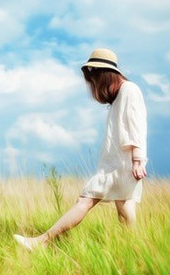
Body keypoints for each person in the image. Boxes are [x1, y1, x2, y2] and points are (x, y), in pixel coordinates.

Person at [13, 48, 148, 251]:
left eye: (95, 76)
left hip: (122, 163)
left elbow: (137, 124)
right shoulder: (120, 95)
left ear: (106, 73)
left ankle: (41, 242)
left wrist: (138, 160)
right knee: (125, 208)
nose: (94, 82)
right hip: (117, 162)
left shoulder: (130, 90)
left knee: (85, 200)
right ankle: (137, 250)